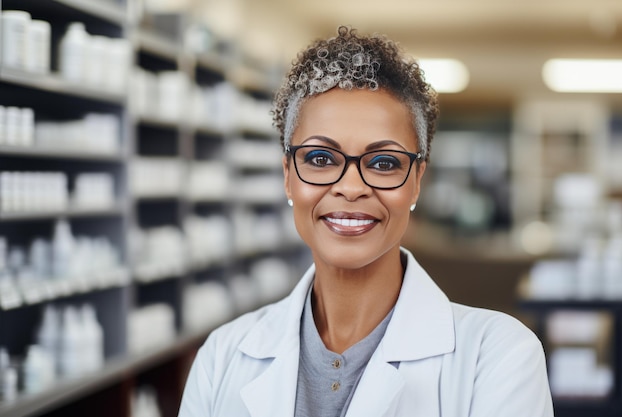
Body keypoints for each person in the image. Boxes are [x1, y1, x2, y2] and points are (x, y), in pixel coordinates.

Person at [178, 26, 553, 417]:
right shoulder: (222, 357)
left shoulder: (498, 357)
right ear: (288, 175)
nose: (351, 187)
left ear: (416, 182)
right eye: (321, 159)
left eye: (384, 163)